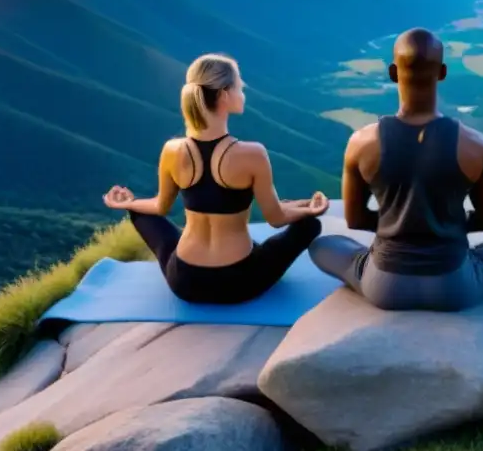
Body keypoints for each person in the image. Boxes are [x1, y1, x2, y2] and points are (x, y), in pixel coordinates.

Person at [308, 28, 483, 312]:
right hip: (455, 286)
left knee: (322, 245)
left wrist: (396, 226)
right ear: (443, 72)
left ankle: (367, 269)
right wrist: (444, 226)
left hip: (384, 287)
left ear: (393, 72)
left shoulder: (361, 143)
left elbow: (356, 219)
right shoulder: (475, 145)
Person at [102, 53, 327, 304]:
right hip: (239, 282)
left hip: (185, 280)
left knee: (140, 212)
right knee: (309, 226)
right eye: (239, 86)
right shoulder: (253, 153)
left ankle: (137, 211)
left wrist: (127, 204)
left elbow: (159, 207)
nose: (243, 92)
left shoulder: (172, 149)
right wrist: (311, 210)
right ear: (223, 95)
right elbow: (276, 218)